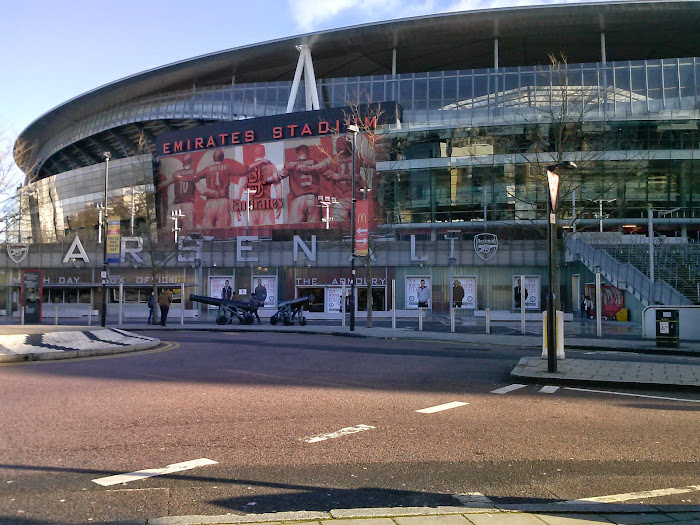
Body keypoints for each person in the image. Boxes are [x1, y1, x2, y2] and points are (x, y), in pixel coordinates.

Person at [267, 145, 321, 223]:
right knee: (314, 227)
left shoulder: (291, 165)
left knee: (294, 227)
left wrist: (265, 180)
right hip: (313, 198)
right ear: (308, 153)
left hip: (298, 198)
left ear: (297, 154)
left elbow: (279, 176)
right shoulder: (315, 162)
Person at [194, 149, 247, 228]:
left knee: (207, 231)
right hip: (223, 201)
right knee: (222, 231)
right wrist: (258, 162)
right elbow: (243, 171)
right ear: (223, 158)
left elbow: (195, 177)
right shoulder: (227, 167)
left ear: (213, 158)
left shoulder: (208, 169)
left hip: (210, 201)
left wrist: (205, 191)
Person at [244, 144, 283, 227]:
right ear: (264, 153)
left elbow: (241, 185)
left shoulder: (248, 168)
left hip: (251, 204)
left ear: (254, 154)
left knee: (249, 236)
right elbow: (278, 186)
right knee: (268, 235)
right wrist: (279, 204)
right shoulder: (271, 167)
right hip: (265, 203)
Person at [158, 154, 197, 231]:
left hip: (177, 204)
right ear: (191, 163)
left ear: (183, 163)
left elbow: (165, 183)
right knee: (188, 229)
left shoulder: (176, 174)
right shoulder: (194, 172)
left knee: (173, 227)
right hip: (188, 203)